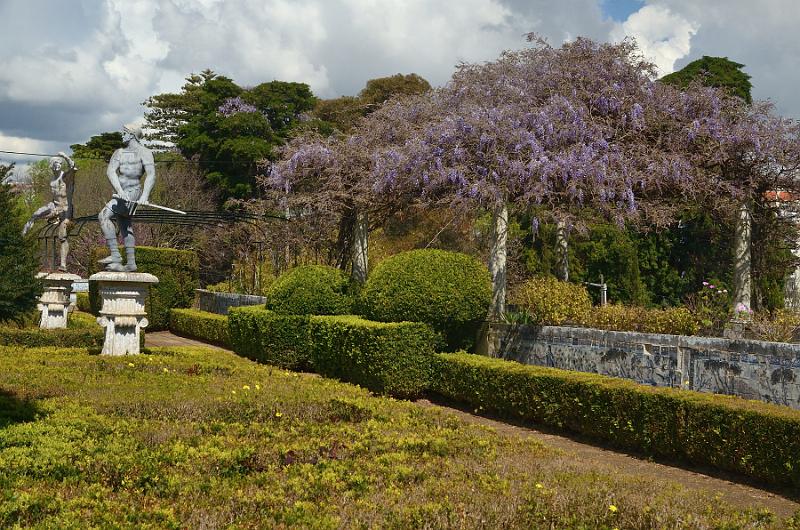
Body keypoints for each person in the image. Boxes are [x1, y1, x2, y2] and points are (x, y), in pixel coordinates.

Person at [97, 123, 155, 272]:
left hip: (133, 191)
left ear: (132, 134)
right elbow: (110, 171)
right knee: (124, 225)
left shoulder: (145, 152)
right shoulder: (119, 152)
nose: (122, 135)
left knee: (103, 215)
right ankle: (131, 263)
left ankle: (115, 256)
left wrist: (145, 195)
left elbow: (151, 175)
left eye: (124, 132)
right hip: (121, 193)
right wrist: (119, 190)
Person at [22, 152, 76, 272]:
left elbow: (72, 166)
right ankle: (23, 235)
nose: (57, 165)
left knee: (62, 236)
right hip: (54, 206)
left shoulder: (66, 177)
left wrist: (65, 156)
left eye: (59, 163)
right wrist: (49, 211)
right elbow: (54, 198)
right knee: (36, 214)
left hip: (66, 210)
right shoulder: (52, 181)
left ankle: (63, 265)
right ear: (51, 166)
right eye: (54, 163)